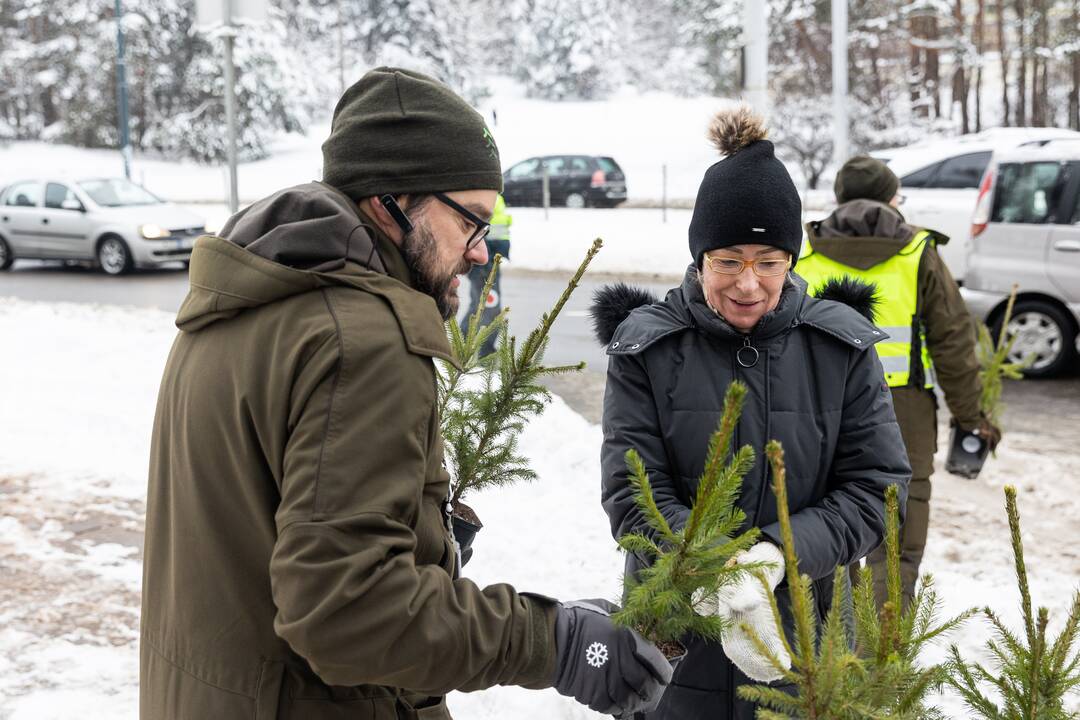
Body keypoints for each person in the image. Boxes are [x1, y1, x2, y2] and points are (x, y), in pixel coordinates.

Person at [140, 67, 671, 720]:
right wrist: (554, 642)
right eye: (471, 222)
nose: (481, 253)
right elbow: (345, 613)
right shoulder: (359, 337)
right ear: (393, 198)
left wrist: (417, 534)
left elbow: (257, 523)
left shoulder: (253, 293)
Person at [590, 107, 911, 719]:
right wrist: (714, 572)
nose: (749, 284)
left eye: (769, 262)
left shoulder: (840, 348)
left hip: (805, 643)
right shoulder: (647, 347)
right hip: (674, 637)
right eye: (728, 261)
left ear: (792, 261)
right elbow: (632, 492)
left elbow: (879, 488)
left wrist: (773, 556)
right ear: (699, 256)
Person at [798, 155, 1002, 608]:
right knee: (897, 544)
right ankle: (882, 660)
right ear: (893, 198)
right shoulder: (918, 253)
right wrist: (971, 418)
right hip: (904, 411)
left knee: (828, 530)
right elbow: (954, 343)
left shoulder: (803, 253)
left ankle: (829, 660)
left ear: (838, 198)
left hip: (819, 409)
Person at [459, 193, 511, 355]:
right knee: (489, 305)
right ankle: (484, 353)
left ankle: (459, 346)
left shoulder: (494, 195)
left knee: (479, 303)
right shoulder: (482, 194)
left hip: (491, 258)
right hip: (484, 260)